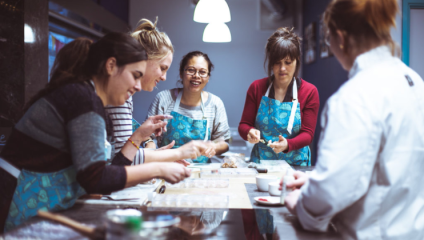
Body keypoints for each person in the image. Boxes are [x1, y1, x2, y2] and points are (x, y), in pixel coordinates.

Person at [0, 33, 209, 233]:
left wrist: (137, 138)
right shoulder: (82, 98)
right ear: (111, 66)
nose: (137, 85)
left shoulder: (92, 101)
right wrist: (158, 169)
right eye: (135, 76)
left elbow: (109, 171)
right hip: (12, 201)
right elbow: (95, 178)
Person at [282, 0, 424, 239]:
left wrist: (300, 202)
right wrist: (315, 180)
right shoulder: (414, 82)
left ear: (340, 38)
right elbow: (385, 168)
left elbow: (329, 194)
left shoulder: (354, 97)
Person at [105, 18, 184, 165]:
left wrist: (156, 152)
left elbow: (124, 154)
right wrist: (169, 156)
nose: (164, 77)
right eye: (162, 68)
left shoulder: (124, 95)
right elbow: (122, 158)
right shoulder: (118, 94)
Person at [238, 27, 319, 165]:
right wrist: (249, 132)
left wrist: (288, 144)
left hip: (296, 165)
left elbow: (308, 134)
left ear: (297, 60)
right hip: (261, 164)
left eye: (288, 62)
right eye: (277, 62)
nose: (282, 68)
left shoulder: (309, 91)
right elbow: (244, 125)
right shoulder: (257, 88)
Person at [147, 51, 231, 163]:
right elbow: (147, 136)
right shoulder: (163, 99)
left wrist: (214, 146)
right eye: (191, 70)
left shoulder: (215, 103)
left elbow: (223, 142)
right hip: (166, 169)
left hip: (202, 173)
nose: (196, 76)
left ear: (208, 77)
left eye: (202, 72)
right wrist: (150, 154)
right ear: (181, 74)